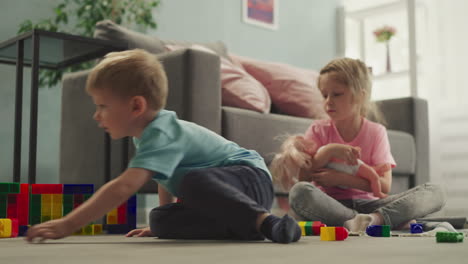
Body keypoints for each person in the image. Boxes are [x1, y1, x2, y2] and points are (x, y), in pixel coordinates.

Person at [26, 49, 301, 244]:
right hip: (224, 194)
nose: (97, 115)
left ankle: (265, 223)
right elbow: (164, 177)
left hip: (248, 179)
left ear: (136, 105)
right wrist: (165, 214)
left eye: (102, 106)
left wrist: (68, 224)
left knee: (193, 182)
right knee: (160, 221)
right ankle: (242, 226)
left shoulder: (162, 131)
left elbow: (123, 187)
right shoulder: (145, 136)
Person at [283, 57, 445, 232]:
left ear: (360, 96)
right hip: (330, 204)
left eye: (336, 94)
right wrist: (328, 151)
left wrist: (341, 179)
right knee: (299, 192)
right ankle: (372, 222)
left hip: (372, 206)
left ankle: (371, 220)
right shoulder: (317, 129)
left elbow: (384, 186)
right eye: (324, 95)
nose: (328, 101)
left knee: (435, 192)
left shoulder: (376, 132)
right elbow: (304, 180)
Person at [270, 134, 390, 199]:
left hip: (355, 168)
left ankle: (377, 193)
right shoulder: (314, 167)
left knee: (373, 177)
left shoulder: (321, 154)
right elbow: (304, 183)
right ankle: (364, 218)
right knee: (300, 194)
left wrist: (334, 150)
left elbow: (338, 152)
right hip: (339, 199)